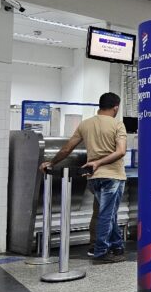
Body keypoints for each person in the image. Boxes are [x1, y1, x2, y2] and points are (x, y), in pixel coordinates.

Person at [40, 93, 127, 263]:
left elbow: (67, 149)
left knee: (109, 214)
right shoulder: (117, 124)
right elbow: (121, 151)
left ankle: (117, 246)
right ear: (116, 107)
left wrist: (51, 162)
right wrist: (99, 162)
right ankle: (101, 251)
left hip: (93, 178)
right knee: (106, 215)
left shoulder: (85, 124)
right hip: (112, 176)